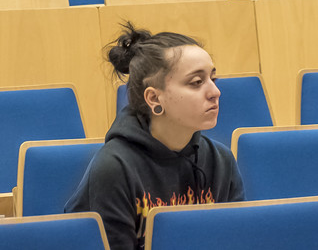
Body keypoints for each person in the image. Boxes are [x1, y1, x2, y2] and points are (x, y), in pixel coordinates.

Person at [65, 24, 242, 250]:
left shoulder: (221, 160)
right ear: (154, 99)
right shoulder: (113, 169)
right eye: (197, 82)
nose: (215, 92)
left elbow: (238, 240)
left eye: (213, 79)